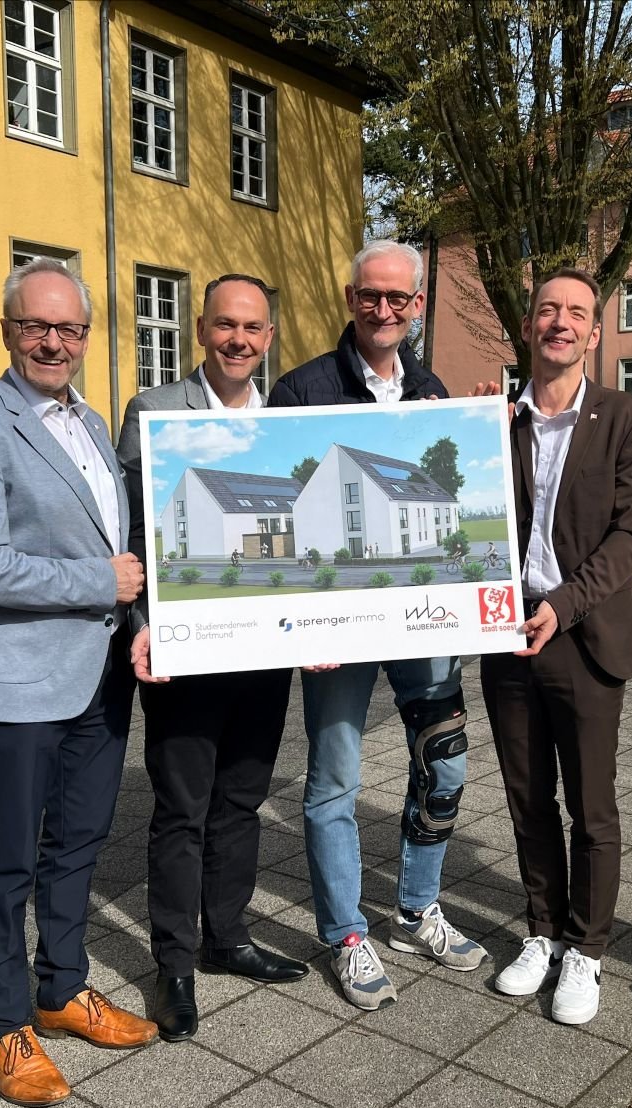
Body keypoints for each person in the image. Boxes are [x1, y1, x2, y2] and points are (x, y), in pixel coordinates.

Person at [0, 258, 156, 1108]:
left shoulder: (89, 423)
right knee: (4, 861)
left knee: (78, 845)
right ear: (7, 332)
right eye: (36, 326)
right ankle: (1, 1024)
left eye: (69, 328)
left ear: (86, 336)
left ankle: (61, 990)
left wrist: (137, 623)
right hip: (16, 684)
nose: (53, 342)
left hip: (98, 676)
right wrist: (101, 584)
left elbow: (119, 552)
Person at [267, 239, 487, 1010]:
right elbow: (287, 511)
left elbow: (446, 502)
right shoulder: (301, 390)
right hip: (337, 625)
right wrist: (302, 625)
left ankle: (417, 910)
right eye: (370, 295)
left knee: (445, 764)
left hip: (420, 620)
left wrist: (474, 428)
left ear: (417, 305)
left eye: (398, 297)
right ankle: (345, 935)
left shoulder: (430, 390)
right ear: (351, 298)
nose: (383, 309)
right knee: (334, 779)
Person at [116, 274, 308, 1043]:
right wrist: (141, 622)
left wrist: (319, 630)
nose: (238, 339)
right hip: (185, 647)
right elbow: (131, 527)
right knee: (182, 809)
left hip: (263, 649)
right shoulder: (155, 411)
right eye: (225, 324)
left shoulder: (286, 422)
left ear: (268, 338)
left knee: (241, 800)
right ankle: (174, 965)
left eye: (252, 328)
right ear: (201, 330)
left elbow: (302, 535)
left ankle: (226, 936)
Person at [481, 269, 632, 1025]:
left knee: (591, 807)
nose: (560, 322)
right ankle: (542, 931)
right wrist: (454, 434)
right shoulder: (494, 420)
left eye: (577, 313)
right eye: (547, 310)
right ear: (528, 325)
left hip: (583, 635)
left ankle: (586, 949)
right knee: (527, 799)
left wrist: (562, 604)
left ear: (593, 332)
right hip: (504, 632)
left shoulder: (628, 418)